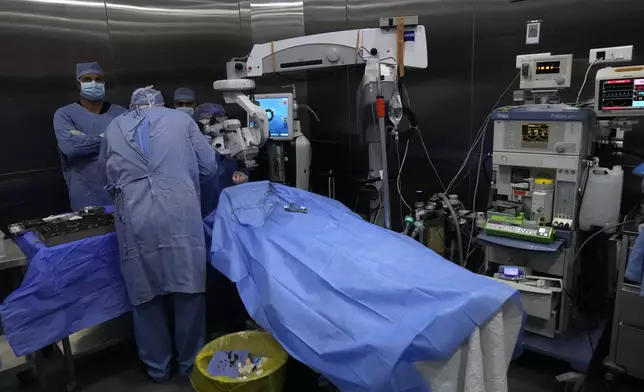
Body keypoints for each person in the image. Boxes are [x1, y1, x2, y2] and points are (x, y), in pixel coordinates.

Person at [99, 86, 218, 382]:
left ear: (132, 105)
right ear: (164, 104)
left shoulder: (114, 126)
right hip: (179, 215)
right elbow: (209, 166)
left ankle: (158, 369)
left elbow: (107, 178)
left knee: (145, 295)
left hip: (135, 219)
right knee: (188, 289)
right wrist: (178, 175)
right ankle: (192, 367)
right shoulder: (183, 121)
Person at [53, 62, 126, 211]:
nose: (94, 83)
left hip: (122, 191)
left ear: (104, 83)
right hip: (86, 195)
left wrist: (86, 138)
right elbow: (71, 147)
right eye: (87, 79)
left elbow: (132, 145)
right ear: (78, 84)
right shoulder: (64, 114)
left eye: (98, 79)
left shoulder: (121, 113)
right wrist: (114, 137)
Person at [194, 103, 247, 216]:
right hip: (200, 208)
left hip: (228, 209)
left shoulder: (231, 145)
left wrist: (242, 175)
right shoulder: (191, 147)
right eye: (208, 121)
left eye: (217, 122)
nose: (214, 127)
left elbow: (242, 167)